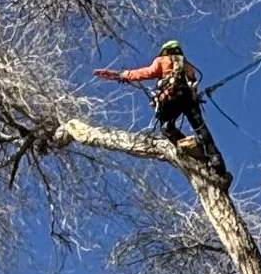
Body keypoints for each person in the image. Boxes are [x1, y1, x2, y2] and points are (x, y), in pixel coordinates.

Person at [94, 41, 230, 181]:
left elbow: (147, 73)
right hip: (189, 99)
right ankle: (215, 159)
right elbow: (193, 80)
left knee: (166, 128)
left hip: (171, 99)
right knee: (200, 127)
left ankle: (185, 146)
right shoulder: (187, 64)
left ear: (165, 51)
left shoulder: (162, 60)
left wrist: (124, 74)